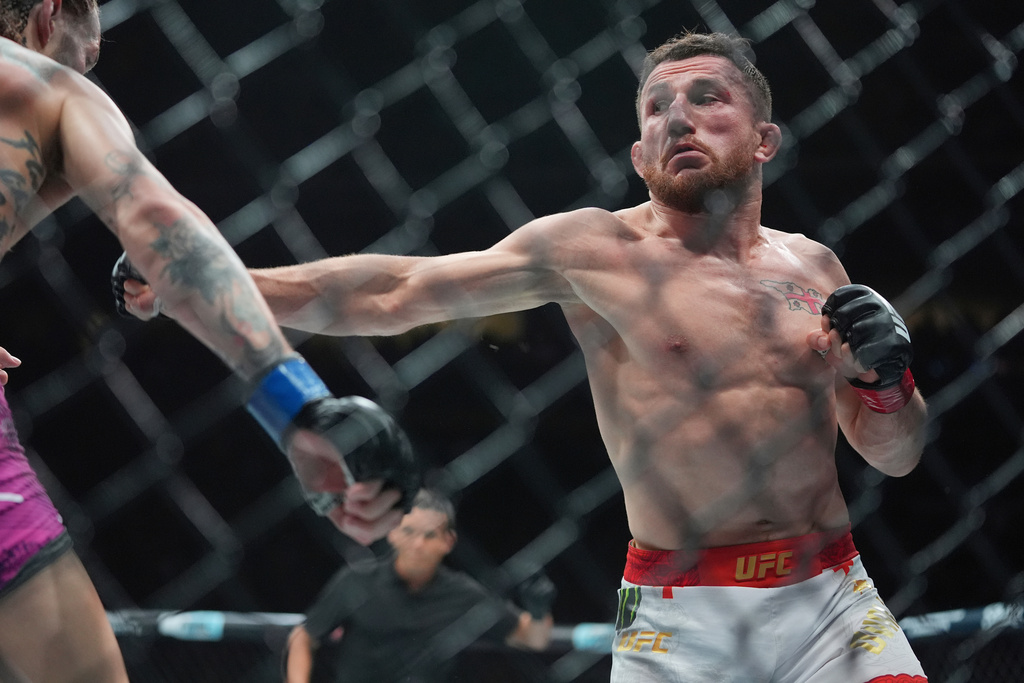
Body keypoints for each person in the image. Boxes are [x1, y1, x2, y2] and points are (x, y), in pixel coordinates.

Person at [121, 30, 930, 682]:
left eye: (706, 97)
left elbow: (894, 458)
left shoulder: (816, 269)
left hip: (831, 594)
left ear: (763, 139)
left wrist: (889, 386)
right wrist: (214, 275)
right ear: (640, 157)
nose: (677, 117)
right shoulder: (596, 249)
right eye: (656, 108)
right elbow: (399, 287)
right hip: (686, 621)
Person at [0, 2, 419, 682]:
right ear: (49, 18)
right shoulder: (54, 91)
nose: (87, 72)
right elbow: (158, 223)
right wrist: (297, 405)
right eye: (89, 55)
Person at [284, 488, 555, 683]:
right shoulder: (357, 581)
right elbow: (304, 637)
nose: (417, 545)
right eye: (409, 531)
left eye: (429, 536)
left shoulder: (463, 594)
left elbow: (533, 638)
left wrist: (540, 611)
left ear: (447, 542)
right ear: (392, 532)